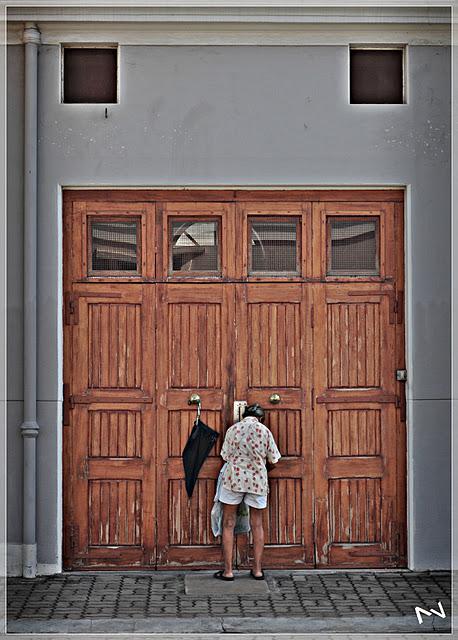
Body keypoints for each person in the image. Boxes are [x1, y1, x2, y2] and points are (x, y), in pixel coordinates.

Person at [213, 403, 281, 581]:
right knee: (257, 524)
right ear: (260, 417)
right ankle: (257, 570)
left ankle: (228, 571)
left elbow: (225, 456)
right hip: (257, 481)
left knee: (228, 523)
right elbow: (274, 459)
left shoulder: (233, 430)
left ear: (244, 415)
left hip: (234, 479)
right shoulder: (264, 431)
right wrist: (262, 468)